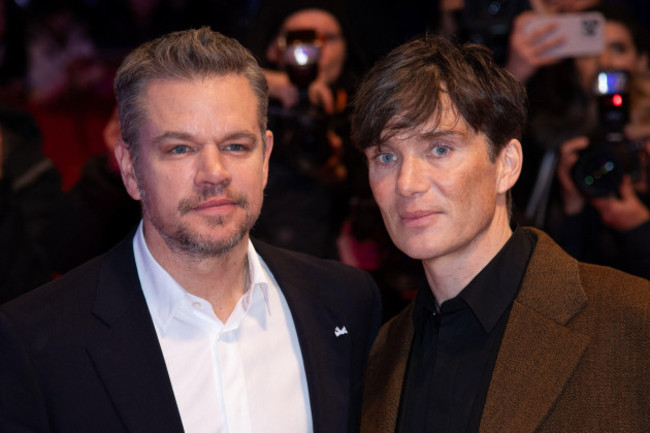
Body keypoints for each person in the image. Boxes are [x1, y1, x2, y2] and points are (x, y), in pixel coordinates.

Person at [0, 27, 381, 433]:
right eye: (180, 148)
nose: (214, 174)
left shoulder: (346, 303)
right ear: (129, 169)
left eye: (236, 145)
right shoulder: (37, 341)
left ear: (266, 158)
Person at [351, 35, 650, 432]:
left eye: (439, 149)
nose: (407, 183)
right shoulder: (381, 354)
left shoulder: (632, 321)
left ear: (507, 164)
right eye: (386, 157)